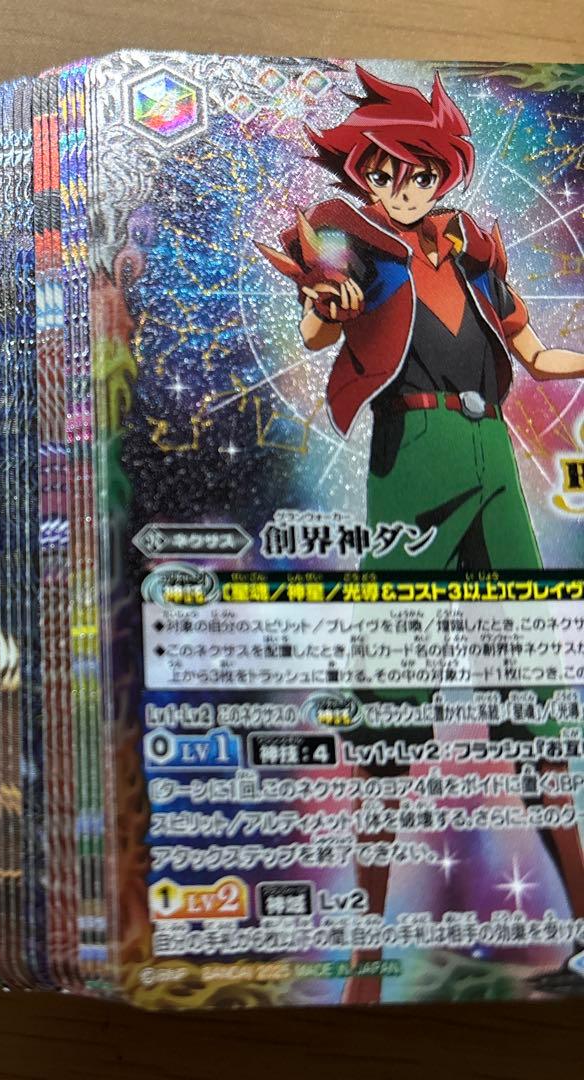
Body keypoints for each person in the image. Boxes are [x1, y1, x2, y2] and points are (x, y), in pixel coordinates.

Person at [256, 66, 584, 1003]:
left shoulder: (474, 248)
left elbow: (534, 353)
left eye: (420, 170)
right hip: (415, 459)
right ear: (362, 172)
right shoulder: (350, 236)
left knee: (533, 695)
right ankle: (364, 967)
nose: (402, 186)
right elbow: (322, 321)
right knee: (393, 704)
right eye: (384, 170)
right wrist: (328, 306)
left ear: (445, 172)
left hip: (492, 460)